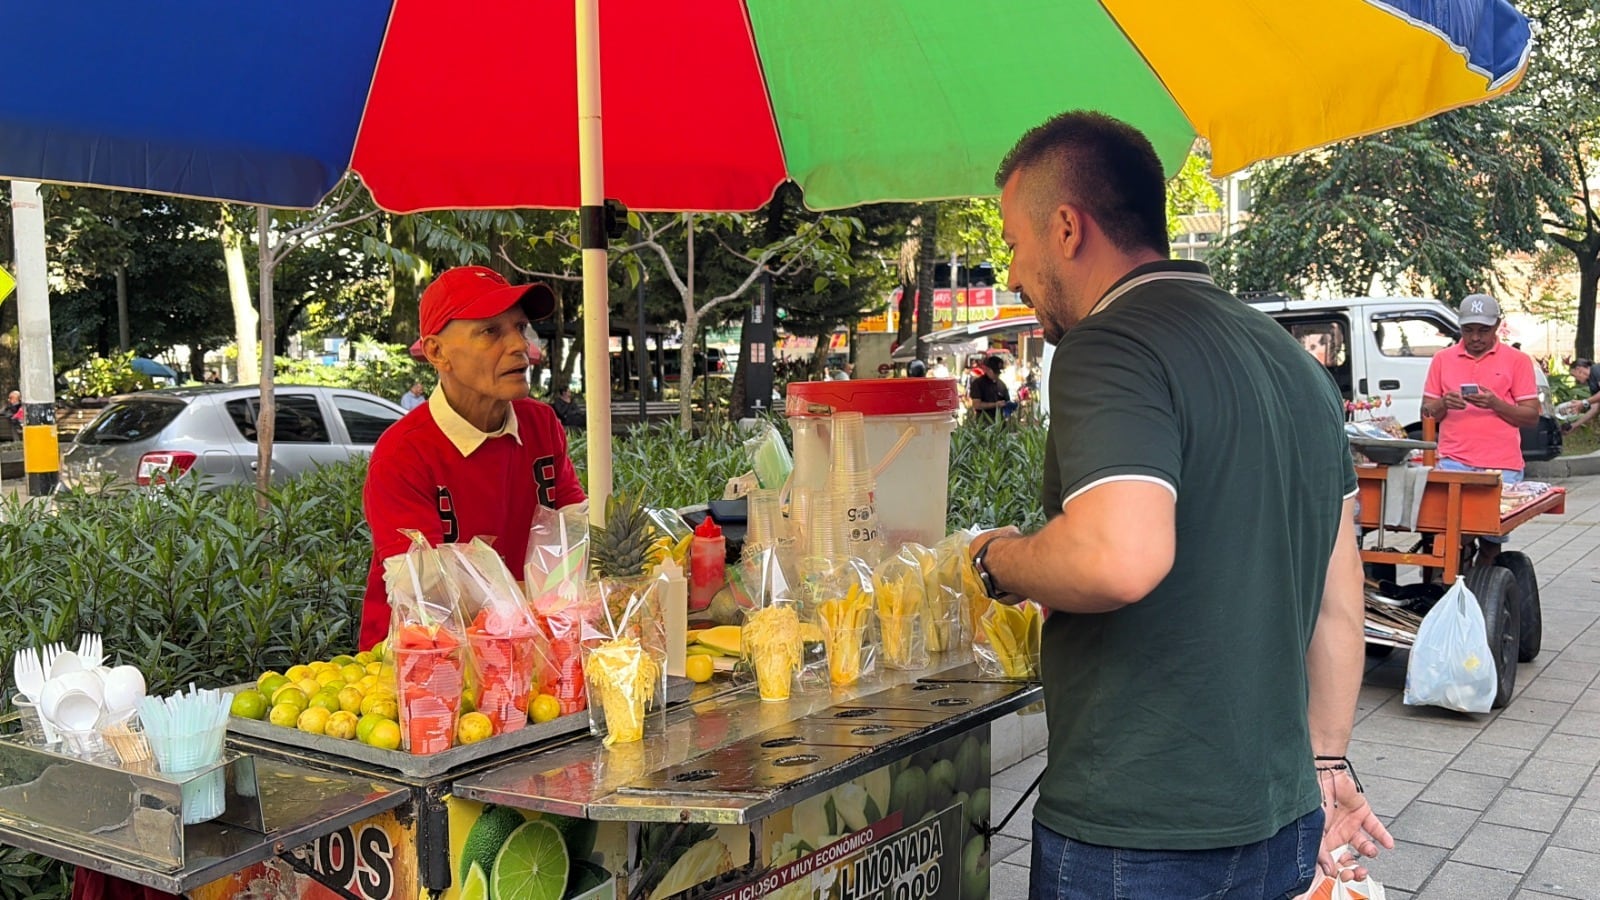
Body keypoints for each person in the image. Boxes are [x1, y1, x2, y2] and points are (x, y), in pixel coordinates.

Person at [966, 111, 1390, 898]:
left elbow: (1117, 556)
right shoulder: (1289, 361)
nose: (1014, 273)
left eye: (1014, 244)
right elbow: (1339, 596)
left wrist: (999, 560)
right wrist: (1327, 763)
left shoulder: (1110, 343)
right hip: (1285, 816)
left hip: (1141, 825)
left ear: (1066, 228)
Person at [359, 266, 586, 649]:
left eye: (520, 327)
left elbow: (573, 530)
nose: (520, 346)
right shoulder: (403, 452)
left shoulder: (541, 423)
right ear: (437, 352)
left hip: (527, 646)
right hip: (421, 663)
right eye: (491, 331)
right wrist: (537, 596)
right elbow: (425, 591)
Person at [1419, 293, 1539, 565]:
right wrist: (1442, 404)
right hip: (1454, 461)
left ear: (1497, 326)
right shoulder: (1442, 359)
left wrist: (1495, 403)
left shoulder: (1517, 360)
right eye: (1468, 330)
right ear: (1460, 328)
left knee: (1490, 539)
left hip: (1501, 464)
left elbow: (1531, 416)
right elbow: (1426, 413)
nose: (1475, 338)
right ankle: (1449, 586)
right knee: (1452, 535)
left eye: (1483, 330)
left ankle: (1484, 589)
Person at [1558, 357, 1600, 431]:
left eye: (1574, 375)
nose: (1576, 379)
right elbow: (1594, 408)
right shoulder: (1591, 382)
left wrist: (1583, 402)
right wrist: (1574, 425)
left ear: (1578, 369)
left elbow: (1587, 402)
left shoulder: (1596, 370)